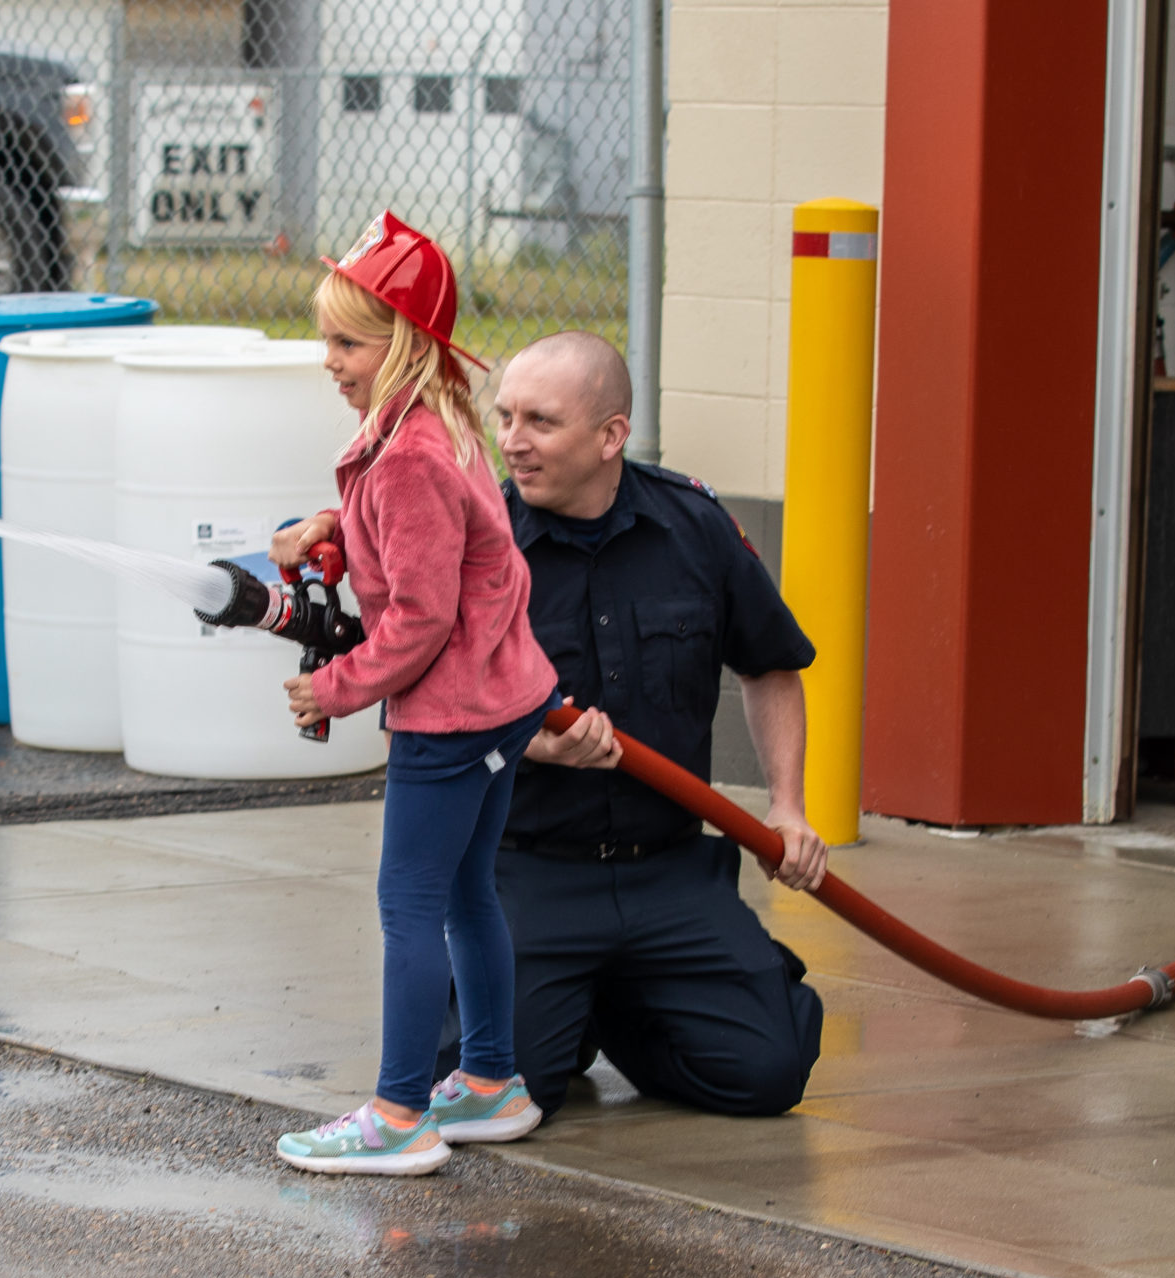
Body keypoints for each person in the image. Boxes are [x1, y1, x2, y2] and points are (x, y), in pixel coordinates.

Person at [266, 212, 560, 1176]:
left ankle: (398, 1112)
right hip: (499, 700)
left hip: (455, 712)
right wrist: (336, 535)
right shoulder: (430, 428)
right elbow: (426, 546)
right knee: (468, 889)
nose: (330, 361)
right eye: (328, 340)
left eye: (348, 342)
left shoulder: (409, 458)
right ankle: (489, 1082)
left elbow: (421, 620)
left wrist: (332, 688)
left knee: (410, 900)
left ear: (406, 344)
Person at [486, 329, 826, 1121]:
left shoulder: (695, 528)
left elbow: (771, 663)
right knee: (503, 1097)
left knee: (767, 1073)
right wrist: (534, 742)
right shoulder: (480, 543)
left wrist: (788, 805)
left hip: (667, 875)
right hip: (532, 871)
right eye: (504, 417)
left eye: (540, 421)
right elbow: (428, 712)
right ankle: (559, 1008)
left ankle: (609, 1002)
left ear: (611, 436)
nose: (512, 442)